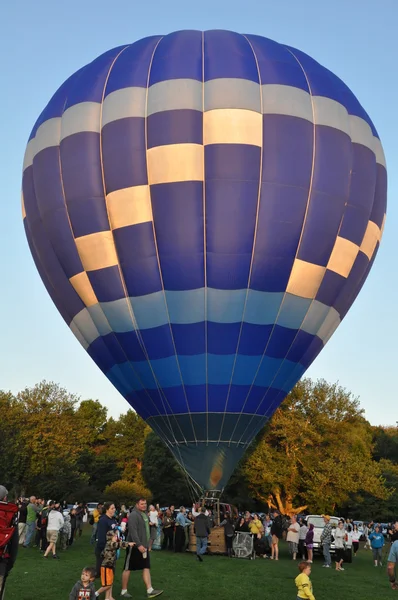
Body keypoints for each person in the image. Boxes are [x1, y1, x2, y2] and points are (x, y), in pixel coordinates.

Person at [121, 498, 163, 599]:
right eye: (142, 504)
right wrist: (139, 545)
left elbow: (147, 528)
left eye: (145, 504)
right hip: (134, 546)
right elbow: (133, 531)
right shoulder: (134, 515)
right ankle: (124, 590)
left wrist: (149, 543)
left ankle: (150, 590)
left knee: (146, 566)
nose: (144, 505)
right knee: (128, 568)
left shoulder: (144, 514)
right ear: (137, 504)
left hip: (144, 546)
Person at [96, 530, 135, 599]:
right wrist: (128, 543)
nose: (116, 537)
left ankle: (108, 598)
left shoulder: (111, 544)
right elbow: (119, 544)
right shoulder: (110, 543)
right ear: (110, 537)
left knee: (110, 583)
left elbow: (103, 554)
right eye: (114, 536)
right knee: (107, 585)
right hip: (105, 567)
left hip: (110, 566)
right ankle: (95, 594)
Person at [0, 486, 18, 600]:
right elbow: (14, 545)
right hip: (2, 560)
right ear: (5, 497)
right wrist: (9, 565)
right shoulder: (10, 513)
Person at [95, 502, 117, 578]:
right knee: (100, 573)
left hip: (112, 549)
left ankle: (108, 588)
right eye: (112, 508)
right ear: (107, 509)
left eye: (114, 508)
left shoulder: (113, 520)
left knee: (110, 573)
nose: (114, 510)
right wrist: (104, 550)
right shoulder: (103, 520)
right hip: (104, 549)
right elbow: (101, 536)